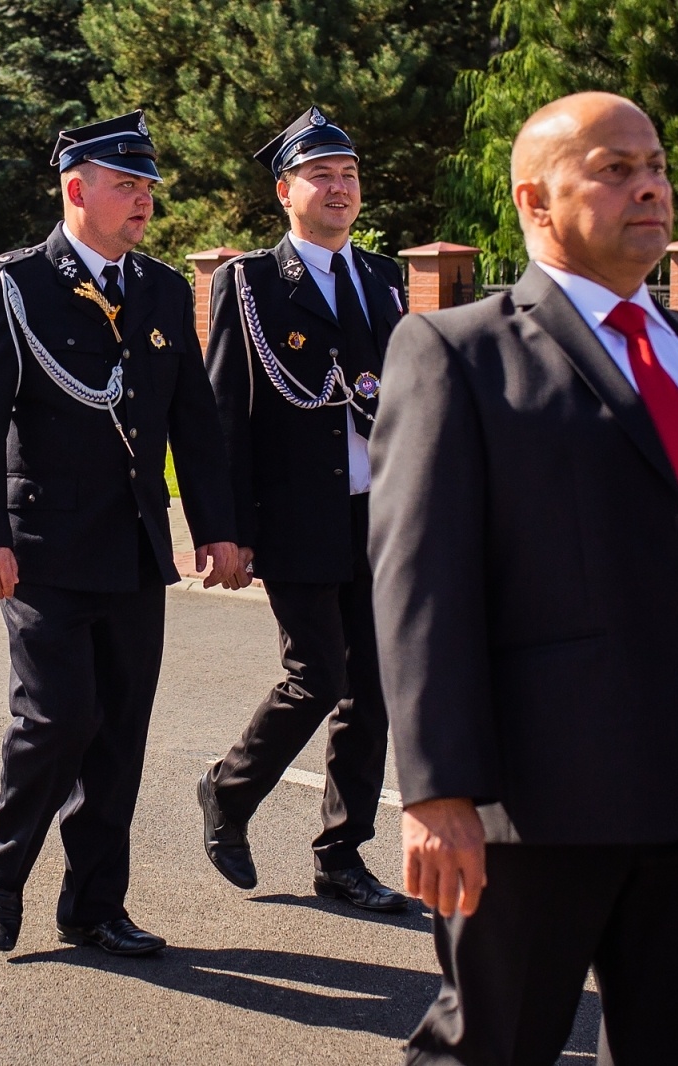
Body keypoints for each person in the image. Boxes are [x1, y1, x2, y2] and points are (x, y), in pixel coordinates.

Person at [368, 91, 678, 1065]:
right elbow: (420, 583)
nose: (651, 186)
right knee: (489, 1045)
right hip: (540, 800)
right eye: (614, 169)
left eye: (655, 164)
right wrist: (438, 789)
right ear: (535, 200)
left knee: (673, 1044)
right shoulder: (458, 352)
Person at [0, 110, 240, 958]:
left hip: (135, 548)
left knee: (119, 734)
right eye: (125, 184)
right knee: (57, 719)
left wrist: (216, 527)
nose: (143, 199)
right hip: (40, 552)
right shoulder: (13, 285)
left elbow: (195, 419)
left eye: (147, 186)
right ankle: (4, 868)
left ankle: (94, 906)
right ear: (77, 190)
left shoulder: (160, 289)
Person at [195, 106, 409, 912]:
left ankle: (341, 855)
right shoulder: (250, 282)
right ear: (286, 191)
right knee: (316, 676)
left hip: (376, 518)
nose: (340, 188)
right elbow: (225, 413)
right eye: (322, 175)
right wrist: (228, 530)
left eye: (349, 175)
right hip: (293, 517)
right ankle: (229, 789)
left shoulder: (383, 277)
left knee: (373, 692)